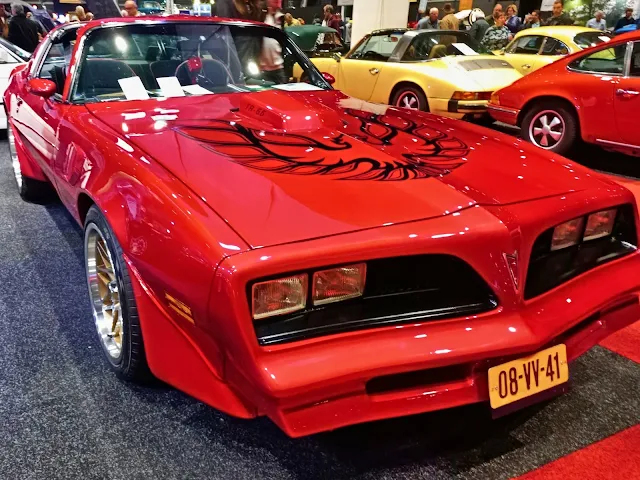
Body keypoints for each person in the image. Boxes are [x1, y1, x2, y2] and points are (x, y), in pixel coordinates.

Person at [260, 0, 285, 84]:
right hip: (262, 69)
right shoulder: (261, 15)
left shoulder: (281, 18)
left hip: (279, 68)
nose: (276, 1)